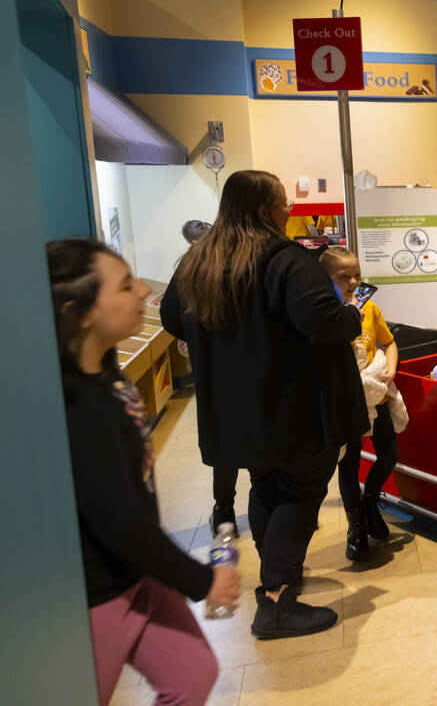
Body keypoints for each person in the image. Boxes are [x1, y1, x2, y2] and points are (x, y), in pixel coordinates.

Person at [161, 170, 368, 639]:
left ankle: (279, 579)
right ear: (262, 211)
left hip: (232, 410)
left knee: (266, 485)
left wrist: (227, 342)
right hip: (289, 406)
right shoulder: (285, 260)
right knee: (301, 490)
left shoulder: (198, 261)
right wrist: (353, 315)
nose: (288, 212)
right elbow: (322, 320)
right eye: (282, 204)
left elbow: (172, 316)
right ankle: (275, 602)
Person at [49, 239, 238, 705]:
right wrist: (201, 580)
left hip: (138, 575)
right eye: (125, 284)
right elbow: (118, 520)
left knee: (193, 672)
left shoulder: (105, 371)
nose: (141, 293)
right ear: (81, 311)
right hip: (97, 593)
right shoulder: (76, 406)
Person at [319, 247, 409, 562]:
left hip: (377, 394)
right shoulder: (323, 314)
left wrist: (391, 369)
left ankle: (371, 503)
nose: (354, 282)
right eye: (344, 276)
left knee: (389, 454)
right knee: (349, 462)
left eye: (357, 275)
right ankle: (355, 524)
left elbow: (389, 341)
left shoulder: (369, 308)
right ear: (326, 279)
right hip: (345, 401)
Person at [179, 219, 241, 539]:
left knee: (225, 439)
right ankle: (265, 507)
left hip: (214, 366)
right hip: (253, 363)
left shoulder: (190, 266)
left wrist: (200, 339)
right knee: (260, 435)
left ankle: (224, 509)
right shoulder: (248, 259)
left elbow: (170, 315)